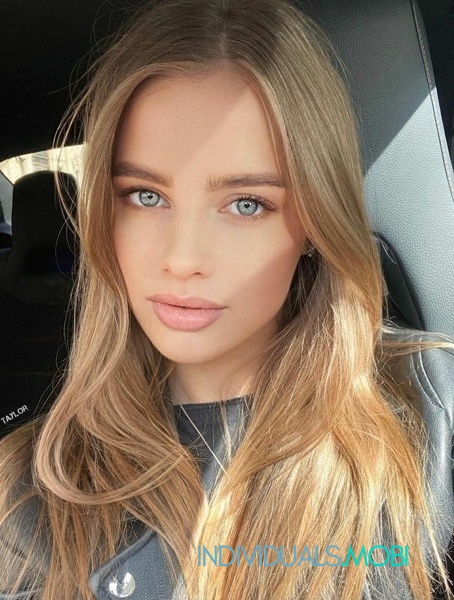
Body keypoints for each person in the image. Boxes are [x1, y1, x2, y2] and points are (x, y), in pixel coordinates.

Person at [1, 0, 454, 598]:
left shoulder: (432, 411)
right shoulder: (29, 487)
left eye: (246, 204)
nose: (183, 257)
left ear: (315, 222)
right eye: (144, 195)